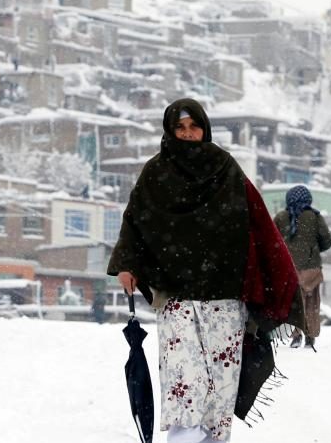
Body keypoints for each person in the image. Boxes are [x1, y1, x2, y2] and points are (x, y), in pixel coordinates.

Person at [107, 98, 300, 443]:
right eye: (180, 128)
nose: (187, 134)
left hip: (224, 294)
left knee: (220, 382)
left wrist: (278, 274)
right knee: (184, 378)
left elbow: (257, 221)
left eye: (193, 126)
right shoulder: (156, 172)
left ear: (204, 128)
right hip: (176, 295)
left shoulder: (224, 167)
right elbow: (135, 219)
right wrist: (126, 264)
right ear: (169, 130)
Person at [274, 185, 331, 350]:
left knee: (293, 304)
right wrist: (313, 248)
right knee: (312, 304)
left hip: (288, 269)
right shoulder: (315, 217)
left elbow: (272, 241)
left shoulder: (281, 217)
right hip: (311, 268)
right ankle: (310, 336)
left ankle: (295, 335)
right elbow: (327, 241)